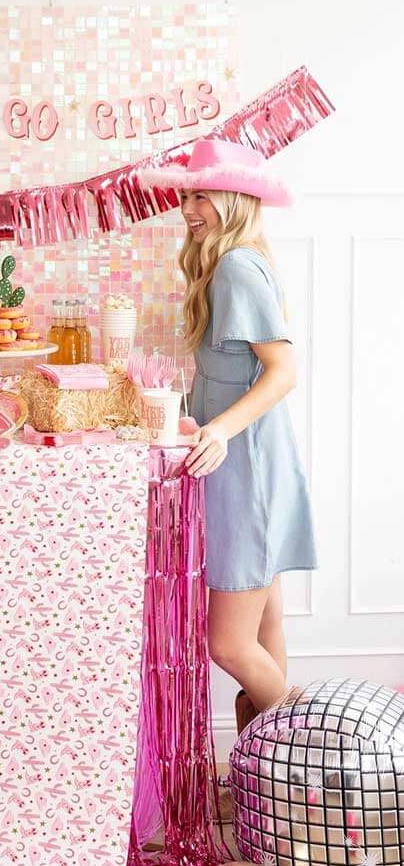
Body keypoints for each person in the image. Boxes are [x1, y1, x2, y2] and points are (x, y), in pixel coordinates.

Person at [144, 139, 316, 733]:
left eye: (201, 195)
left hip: (248, 470)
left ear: (235, 198)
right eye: (186, 195)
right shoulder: (225, 262)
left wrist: (215, 429)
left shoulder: (237, 267)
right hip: (250, 462)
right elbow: (228, 375)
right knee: (265, 632)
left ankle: (311, 756)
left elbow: (284, 369)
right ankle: (270, 779)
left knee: (230, 645)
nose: (188, 207)